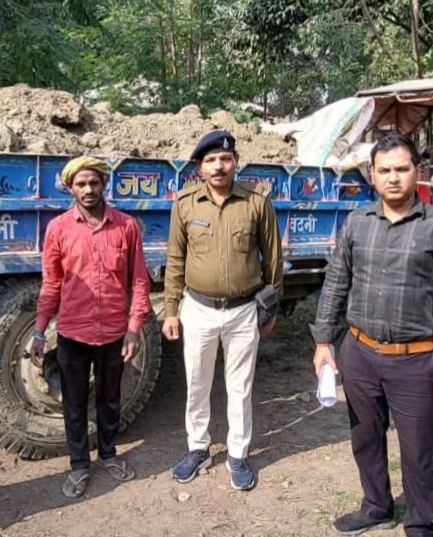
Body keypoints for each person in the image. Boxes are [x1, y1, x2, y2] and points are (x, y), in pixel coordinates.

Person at [312, 133, 433, 537]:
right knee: (365, 436)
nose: (393, 178)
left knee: (418, 448)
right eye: (385, 170)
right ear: (372, 174)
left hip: (415, 360)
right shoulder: (357, 222)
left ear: (418, 171)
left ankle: (419, 523)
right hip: (360, 353)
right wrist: (324, 342)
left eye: (402, 169)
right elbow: (336, 283)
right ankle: (377, 505)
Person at [162, 130, 283, 491]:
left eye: (225, 159)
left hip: (243, 312)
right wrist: (171, 310)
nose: (219, 166)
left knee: (240, 387)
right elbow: (175, 259)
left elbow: (273, 260)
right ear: (200, 167)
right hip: (198, 309)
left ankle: (238, 454)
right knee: (197, 383)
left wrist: (271, 309)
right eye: (211, 160)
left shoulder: (256, 203)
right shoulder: (185, 204)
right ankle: (198, 449)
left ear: (235, 162)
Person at [32, 155, 152, 498]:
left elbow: (139, 281)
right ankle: (79, 465)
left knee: (110, 398)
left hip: (114, 332)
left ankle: (109, 454)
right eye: (81, 184)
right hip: (72, 333)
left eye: (94, 182)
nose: (88, 189)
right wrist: (39, 330)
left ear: (104, 184)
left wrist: (134, 327)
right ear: (70, 188)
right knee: (74, 403)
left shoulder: (126, 227)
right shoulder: (58, 229)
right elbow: (51, 283)